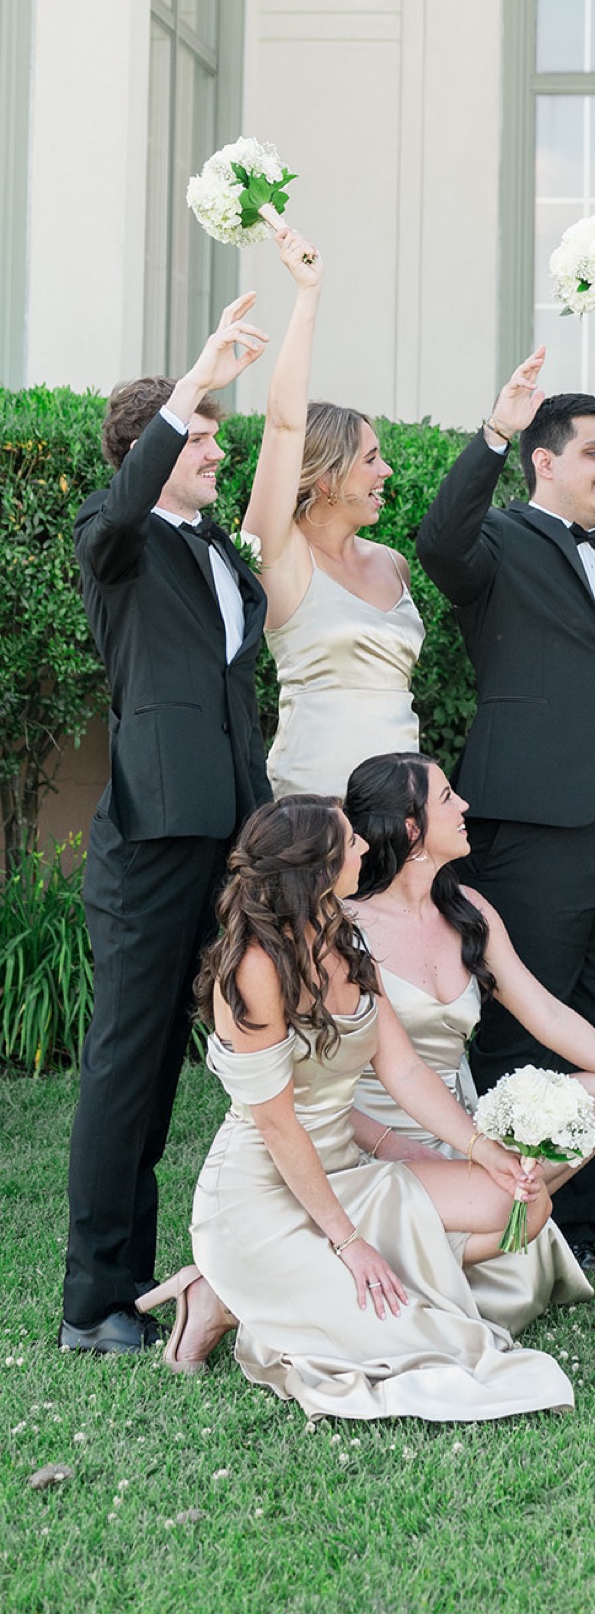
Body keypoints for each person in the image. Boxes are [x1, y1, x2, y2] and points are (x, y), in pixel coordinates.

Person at [141, 795, 576, 1420]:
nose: (367, 849)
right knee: (402, 1344)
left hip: (345, 1169)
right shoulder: (253, 970)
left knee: (522, 1204)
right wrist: (350, 1244)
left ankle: (241, 1293)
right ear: (316, 868)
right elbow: (278, 1125)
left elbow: (401, 1069)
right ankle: (227, 1289)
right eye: (352, 843)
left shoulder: (350, 944)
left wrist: (485, 1150)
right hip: (263, 1192)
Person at [415, 349, 595, 1271]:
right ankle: (510, 1221)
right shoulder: (499, 544)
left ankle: (577, 1230)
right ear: (545, 461)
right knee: (515, 1030)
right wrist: (493, 429)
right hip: (534, 829)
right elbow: (439, 544)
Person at [60, 295, 274, 1355]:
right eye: (201, 436)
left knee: (231, 1051)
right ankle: (94, 1299)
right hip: (152, 838)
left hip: (235, 836)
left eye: (217, 436)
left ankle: (187, 1269)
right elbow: (117, 512)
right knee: (127, 1065)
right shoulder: (121, 542)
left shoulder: (217, 551)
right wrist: (191, 380)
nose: (215, 452)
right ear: (151, 448)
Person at [342, 750, 595, 1324]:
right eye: (448, 798)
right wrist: (406, 1147)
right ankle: (432, 1257)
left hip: (459, 1133)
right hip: (373, 1143)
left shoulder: (468, 912)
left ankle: (449, 1238)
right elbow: (316, 1084)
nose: (466, 807)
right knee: (517, 1206)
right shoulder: (342, 926)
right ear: (411, 829)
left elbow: (548, 1016)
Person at [243, 228, 424, 798]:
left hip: (402, 810)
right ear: (324, 477)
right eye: (371, 460)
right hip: (315, 805)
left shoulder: (394, 563)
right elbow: (283, 424)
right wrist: (308, 296)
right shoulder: (281, 555)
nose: (386, 472)